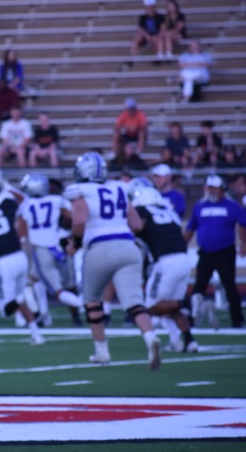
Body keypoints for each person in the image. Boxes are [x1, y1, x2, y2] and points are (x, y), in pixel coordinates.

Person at [63, 151, 161, 369]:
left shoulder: (79, 190)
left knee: (92, 300)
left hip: (99, 247)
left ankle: (102, 352)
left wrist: (75, 244)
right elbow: (137, 225)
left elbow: (79, 221)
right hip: (128, 246)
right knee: (134, 302)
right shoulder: (120, 187)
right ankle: (150, 338)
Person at [0, 185, 46, 344]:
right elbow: (23, 201)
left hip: (4, 263)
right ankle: (36, 334)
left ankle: (24, 298)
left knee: (6, 309)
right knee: (17, 297)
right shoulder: (5, 207)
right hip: (20, 257)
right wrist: (4, 185)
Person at [130, 186, 198, 353]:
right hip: (184, 258)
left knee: (152, 306)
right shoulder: (168, 211)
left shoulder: (141, 210)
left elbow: (137, 227)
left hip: (165, 261)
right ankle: (189, 341)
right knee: (171, 305)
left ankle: (188, 302)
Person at [16, 173, 83, 326]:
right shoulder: (57, 200)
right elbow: (75, 218)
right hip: (60, 247)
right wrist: (73, 239)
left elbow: (21, 233)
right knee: (69, 284)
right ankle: (72, 317)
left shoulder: (26, 205)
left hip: (40, 249)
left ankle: (85, 304)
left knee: (52, 288)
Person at [184, 174, 246, 329]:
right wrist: (182, 245)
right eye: (208, 188)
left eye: (213, 188)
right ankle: (191, 320)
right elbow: (190, 227)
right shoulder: (199, 206)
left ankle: (237, 320)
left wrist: (244, 243)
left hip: (225, 252)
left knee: (229, 285)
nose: (210, 191)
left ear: (222, 189)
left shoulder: (232, 206)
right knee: (199, 286)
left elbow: (243, 224)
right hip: (205, 252)